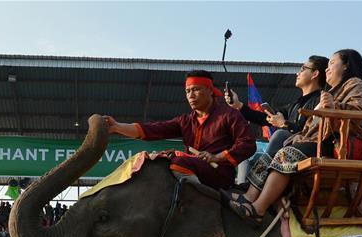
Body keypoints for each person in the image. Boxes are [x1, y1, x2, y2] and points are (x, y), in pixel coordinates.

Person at [226, 49, 362, 225]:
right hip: (316, 140)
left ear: (346, 65)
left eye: (332, 63)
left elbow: (357, 112)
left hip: (334, 143)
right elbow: (305, 126)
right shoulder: (323, 94)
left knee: (285, 151)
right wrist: (239, 105)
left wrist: (333, 106)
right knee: (281, 139)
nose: (328, 69)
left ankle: (258, 208)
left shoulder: (354, 84)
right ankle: (250, 196)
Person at [104, 70, 257, 190]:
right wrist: (117, 127)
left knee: (179, 163)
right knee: (153, 162)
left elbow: (248, 144)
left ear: (210, 91)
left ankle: (196, 200)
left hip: (219, 174)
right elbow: (151, 129)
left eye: (196, 89)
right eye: (188, 91)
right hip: (193, 167)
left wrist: (216, 157)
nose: (191, 95)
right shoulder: (185, 121)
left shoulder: (229, 115)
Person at [225, 55, 329, 161]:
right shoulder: (295, 104)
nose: (297, 73)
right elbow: (265, 118)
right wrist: (238, 105)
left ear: (315, 74)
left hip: (301, 154)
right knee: (247, 160)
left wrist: (284, 124)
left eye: (302, 69)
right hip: (284, 154)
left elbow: (310, 134)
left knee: (281, 134)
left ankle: (262, 172)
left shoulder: (322, 101)